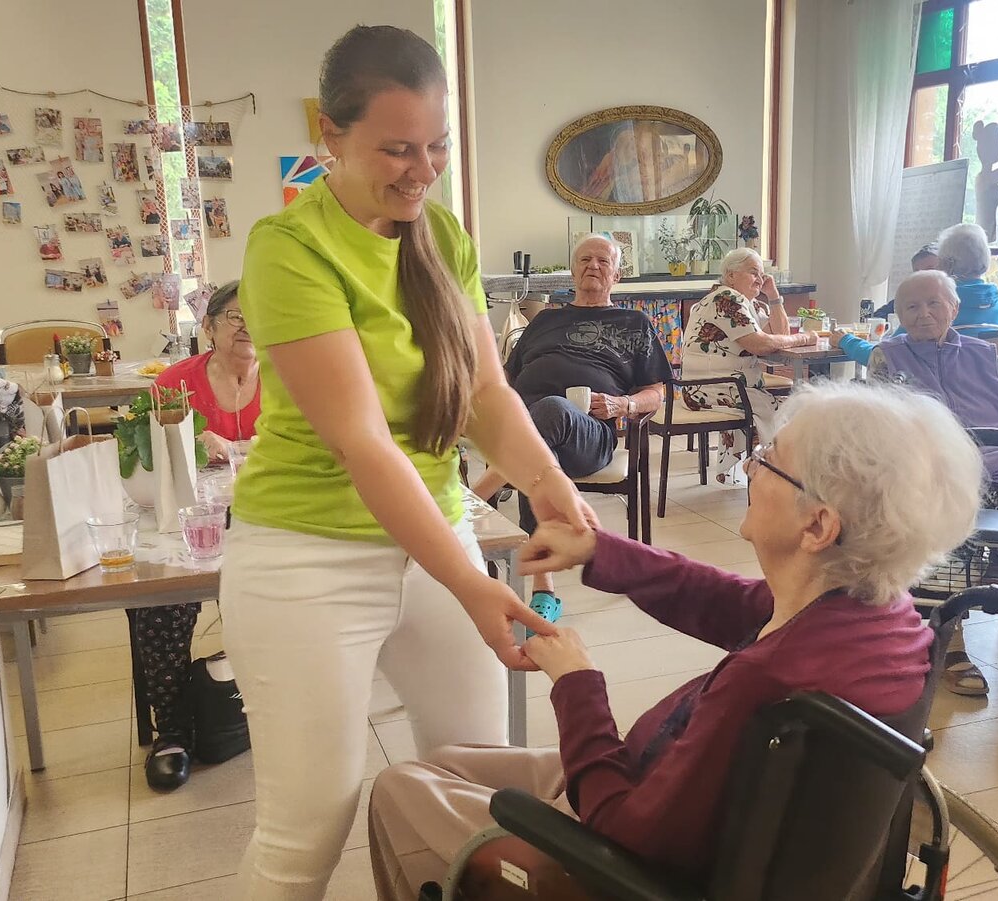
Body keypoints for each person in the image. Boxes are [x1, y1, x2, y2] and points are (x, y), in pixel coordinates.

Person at [218, 26, 594, 898]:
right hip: (305, 557)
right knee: (306, 831)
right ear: (331, 135)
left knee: (482, 792)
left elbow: (486, 394)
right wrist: (470, 583)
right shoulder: (289, 248)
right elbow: (364, 443)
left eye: (437, 146)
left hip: (434, 533)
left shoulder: (443, 237)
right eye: (397, 149)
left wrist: (550, 486)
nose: (422, 170)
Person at [365, 380, 985, 900]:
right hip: (676, 787)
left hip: (624, 851)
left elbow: (627, 830)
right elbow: (721, 598)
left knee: (399, 788)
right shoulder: (878, 617)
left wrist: (577, 685)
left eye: (767, 460)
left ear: (817, 526)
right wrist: (599, 551)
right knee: (445, 763)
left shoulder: (767, 682)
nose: (749, 466)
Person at [866, 270, 998, 699]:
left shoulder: (985, 355)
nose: (924, 313)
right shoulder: (887, 357)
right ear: (899, 315)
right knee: (938, 525)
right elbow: (881, 428)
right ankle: (949, 643)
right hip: (934, 470)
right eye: (912, 306)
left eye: (934, 303)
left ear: (954, 308)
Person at [468, 234, 671, 599]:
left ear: (616, 276)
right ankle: (542, 587)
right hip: (527, 427)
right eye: (585, 260)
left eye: (603, 261)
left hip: (588, 435)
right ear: (573, 272)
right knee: (538, 440)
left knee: (551, 411)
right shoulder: (545, 319)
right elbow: (506, 378)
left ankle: (474, 498)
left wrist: (623, 405)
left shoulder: (633, 322)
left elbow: (658, 391)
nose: (593, 266)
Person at [127, 281, 260, 792]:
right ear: (208, 327)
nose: (248, 326)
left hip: (265, 516)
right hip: (191, 521)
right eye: (235, 317)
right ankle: (173, 730)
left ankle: (266, 705)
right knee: (162, 601)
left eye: (259, 314)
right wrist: (190, 439)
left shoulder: (290, 375)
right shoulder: (176, 383)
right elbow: (147, 456)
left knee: (282, 591)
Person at [679, 246, 817, 478]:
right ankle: (783, 475)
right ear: (731, 275)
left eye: (762, 274)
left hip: (716, 385)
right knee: (798, 409)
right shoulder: (726, 299)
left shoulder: (745, 303)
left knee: (794, 406)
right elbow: (760, 344)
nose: (760, 279)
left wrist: (774, 296)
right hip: (712, 387)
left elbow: (779, 334)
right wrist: (803, 338)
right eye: (754, 272)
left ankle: (776, 471)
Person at [838, 223, 998, 365]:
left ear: (947, 264)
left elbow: (884, 357)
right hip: (984, 388)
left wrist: (846, 340)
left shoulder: (936, 305)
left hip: (934, 389)